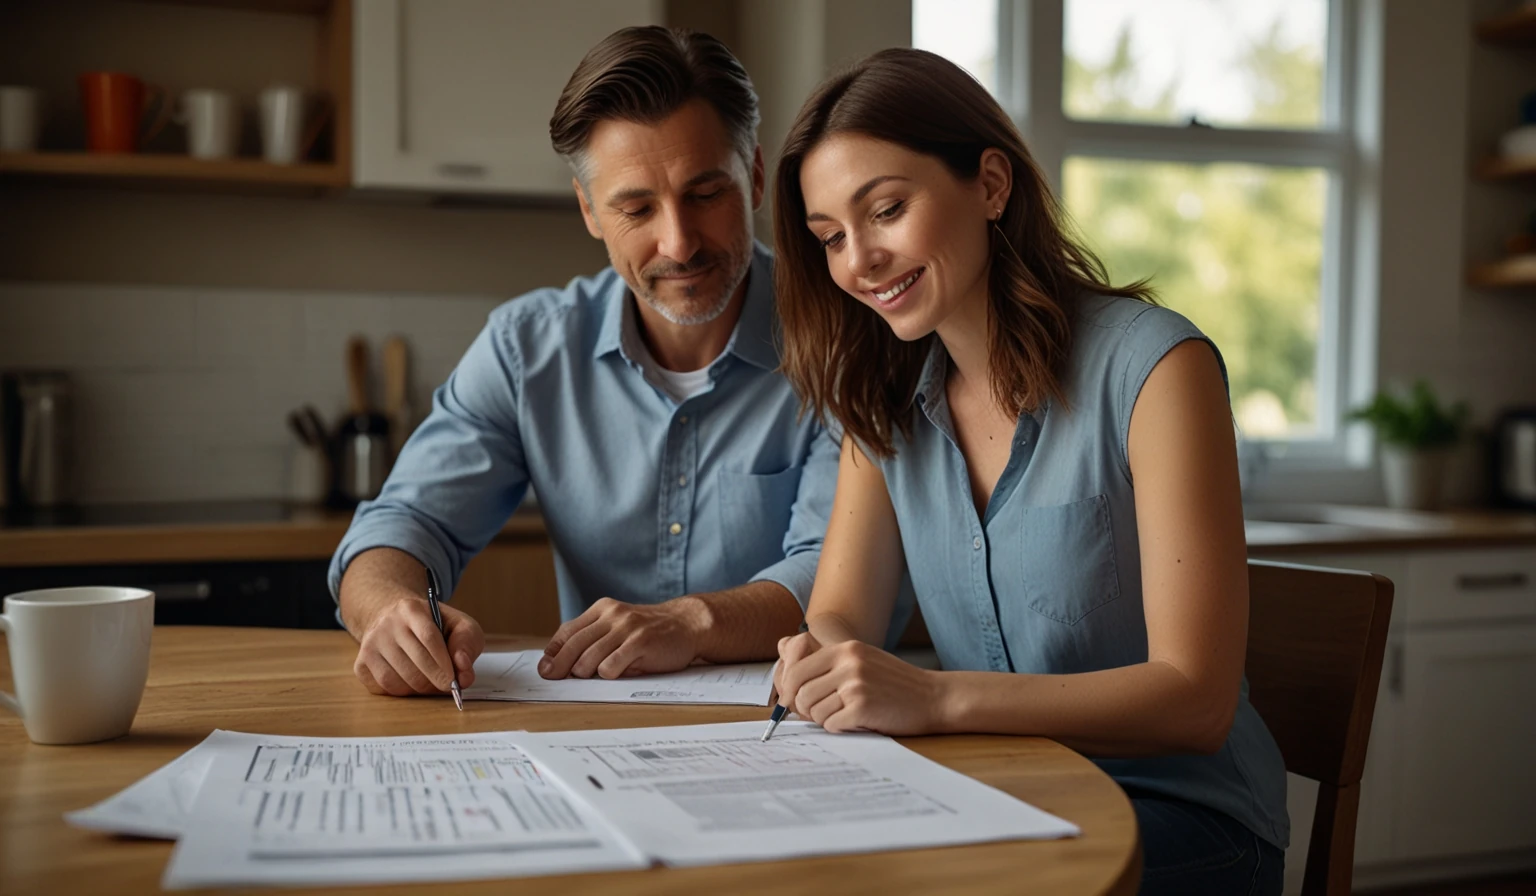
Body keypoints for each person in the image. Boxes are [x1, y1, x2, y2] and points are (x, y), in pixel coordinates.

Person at [769, 48, 1287, 895]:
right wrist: (817, 662)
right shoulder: (884, 399)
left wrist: (932, 700)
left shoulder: (1156, 368)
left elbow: (1196, 701)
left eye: (887, 209)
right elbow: (840, 612)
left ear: (992, 185)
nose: (858, 260)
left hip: (1183, 819)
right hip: (992, 798)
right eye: (831, 238)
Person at [329, 26, 865, 700]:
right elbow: (405, 522)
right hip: (594, 728)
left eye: (705, 195)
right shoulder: (527, 348)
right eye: (636, 207)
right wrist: (390, 609)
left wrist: (691, 623)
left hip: (801, 723)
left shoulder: (847, 340)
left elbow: (839, 577)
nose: (678, 242)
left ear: (754, 176)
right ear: (589, 209)